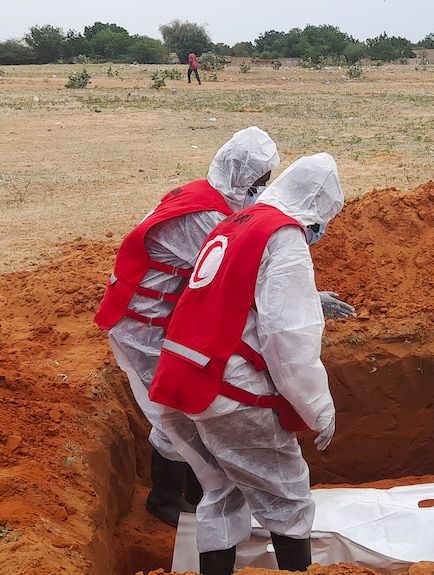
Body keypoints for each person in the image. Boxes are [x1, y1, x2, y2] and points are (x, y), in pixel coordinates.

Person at [149, 153, 344, 575]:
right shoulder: (284, 237)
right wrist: (319, 408)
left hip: (181, 377)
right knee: (288, 496)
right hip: (228, 388)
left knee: (221, 491)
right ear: (317, 209)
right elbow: (288, 338)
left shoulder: (235, 223)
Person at [94, 126, 281, 528]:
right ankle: (165, 497)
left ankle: (199, 492)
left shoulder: (203, 193)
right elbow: (230, 275)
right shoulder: (205, 215)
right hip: (142, 325)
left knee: (186, 405)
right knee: (172, 408)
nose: (259, 190)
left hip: (160, 317)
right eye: (257, 183)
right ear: (242, 176)